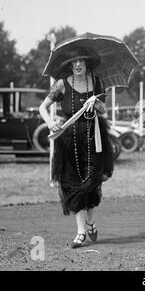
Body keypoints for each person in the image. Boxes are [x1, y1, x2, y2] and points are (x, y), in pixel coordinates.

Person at [39, 47, 114, 248]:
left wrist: (96, 101)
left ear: (87, 63)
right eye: (74, 62)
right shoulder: (61, 85)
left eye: (81, 61)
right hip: (69, 140)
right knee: (73, 185)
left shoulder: (97, 82)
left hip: (94, 138)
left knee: (91, 183)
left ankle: (90, 222)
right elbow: (42, 107)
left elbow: (104, 110)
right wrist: (49, 122)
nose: (78, 64)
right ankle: (81, 232)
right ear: (69, 65)